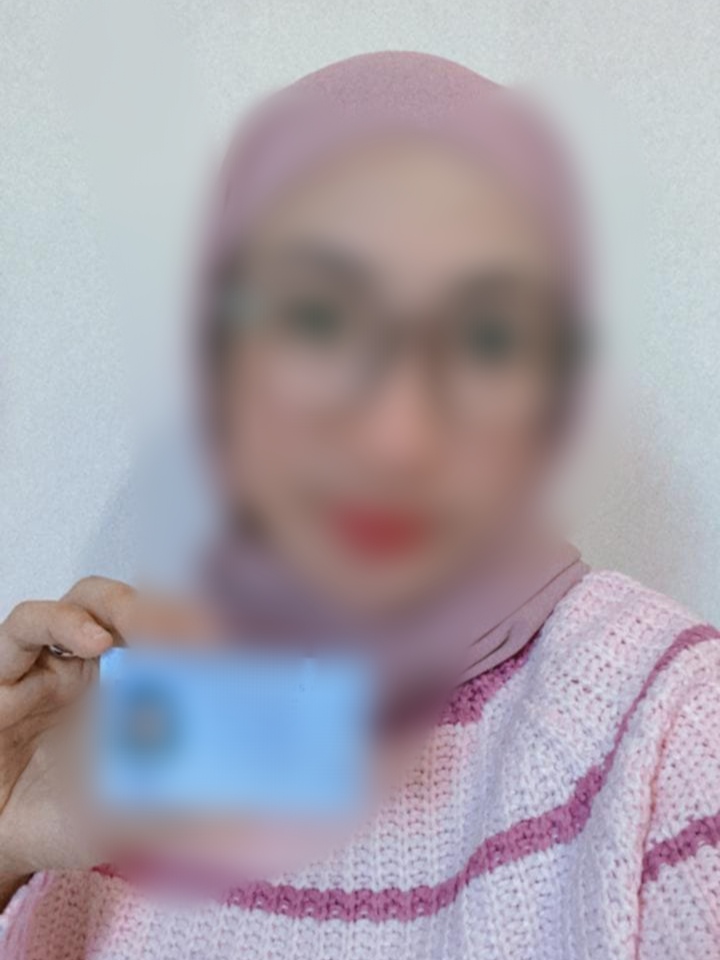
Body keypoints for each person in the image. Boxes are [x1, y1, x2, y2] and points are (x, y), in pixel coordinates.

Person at [1, 51, 718, 959]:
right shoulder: (131, 737)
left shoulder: (674, 736)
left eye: (485, 337)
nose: (395, 436)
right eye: (318, 321)